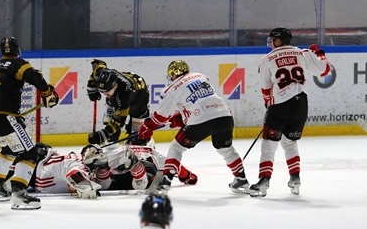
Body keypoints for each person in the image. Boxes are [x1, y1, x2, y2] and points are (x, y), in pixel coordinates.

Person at [138, 60, 250, 194]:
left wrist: (147, 126)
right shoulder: (201, 77)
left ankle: (165, 183)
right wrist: (182, 117)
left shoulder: (172, 88)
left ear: (173, 74)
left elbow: (161, 117)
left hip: (201, 119)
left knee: (176, 147)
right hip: (224, 116)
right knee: (225, 148)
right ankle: (241, 179)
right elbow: (201, 100)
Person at [0, 37, 59, 209]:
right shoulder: (18, 64)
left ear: (1, 52)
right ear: (17, 51)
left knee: (9, 148)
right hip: (5, 118)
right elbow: (35, 77)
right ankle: (20, 194)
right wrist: (47, 94)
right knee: (30, 153)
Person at [249, 27, 331, 197]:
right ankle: (295, 178)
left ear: (278, 40)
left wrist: (269, 105)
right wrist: (319, 52)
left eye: (272, 39)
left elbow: (265, 89)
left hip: (280, 106)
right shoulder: (302, 53)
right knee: (289, 142)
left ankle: (264, 181)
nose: (271, 42)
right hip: (301, 104)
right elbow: (325, 70)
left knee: (269, 144)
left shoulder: (267, 59)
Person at [86, 59, 151, 146]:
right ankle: (112, 150)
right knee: (111, 132)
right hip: (121, 92)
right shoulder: (102, 75)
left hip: (139, 99)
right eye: (102, 91)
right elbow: (97, 63)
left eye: (107, 91)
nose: (105, 94)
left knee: (138, 137)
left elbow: (118, 122)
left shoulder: (125, 95)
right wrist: (91, 87)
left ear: (115, 85)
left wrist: (102, 135)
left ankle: (145, 146)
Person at [81, 143, 198, 191]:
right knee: (142, 184)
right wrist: (188, 176)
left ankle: (103, 169)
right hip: (147, 168)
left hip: (120, 171)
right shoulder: (150, 150)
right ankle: (136, 167)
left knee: (104, 184)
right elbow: (173, 163)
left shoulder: (112, 150)